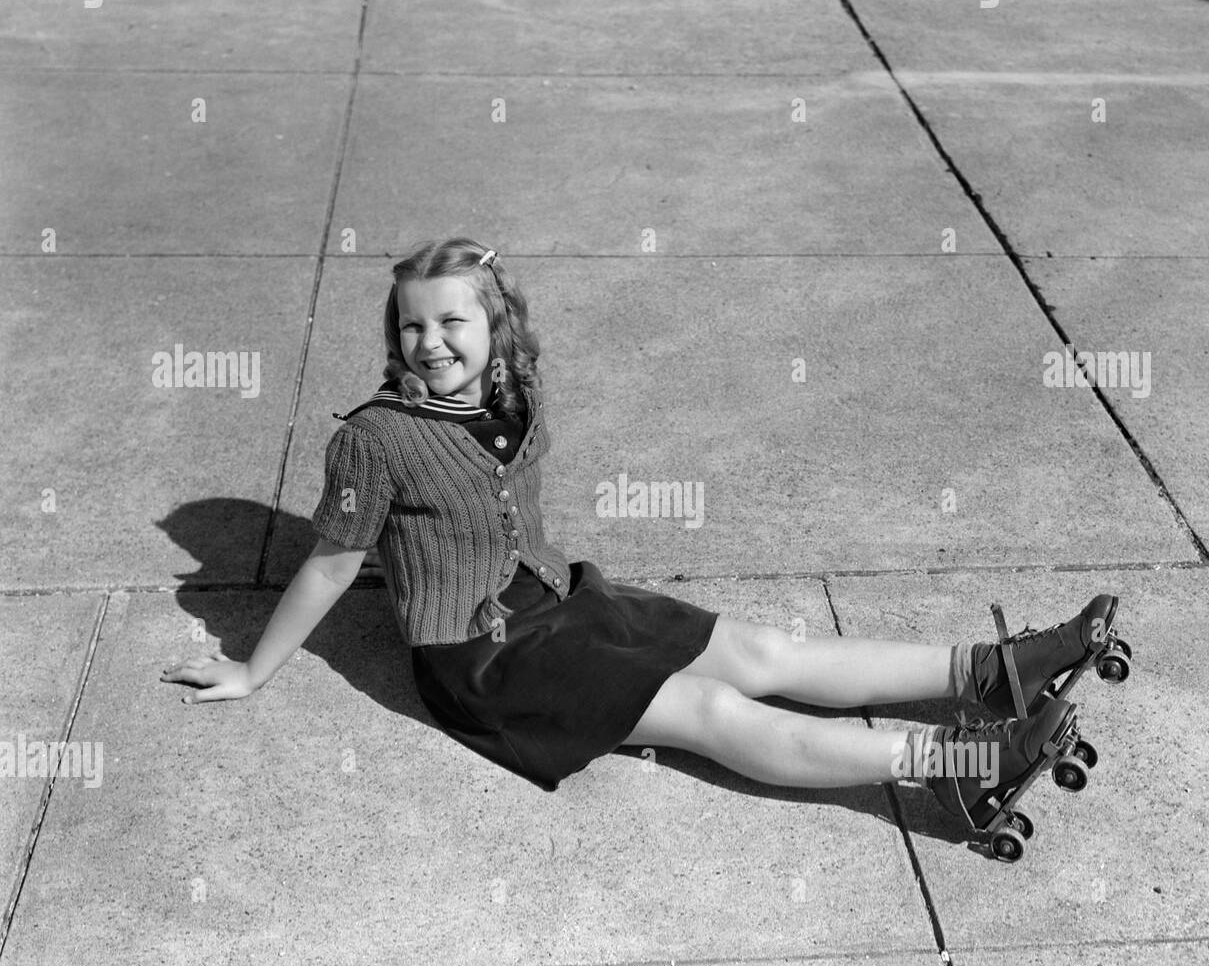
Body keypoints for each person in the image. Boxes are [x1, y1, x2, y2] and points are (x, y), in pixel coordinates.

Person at [162, 236, 1120, 839]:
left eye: (452, 321)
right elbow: (331, 562)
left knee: (764, 650)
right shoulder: (374, 439)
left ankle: (991, 671)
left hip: (559, 603)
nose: (430, 343)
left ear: (496, 328)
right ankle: (964, 765)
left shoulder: (512, 396)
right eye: (411, 328)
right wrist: (253, 668)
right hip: (484, 662)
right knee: (712, 714)